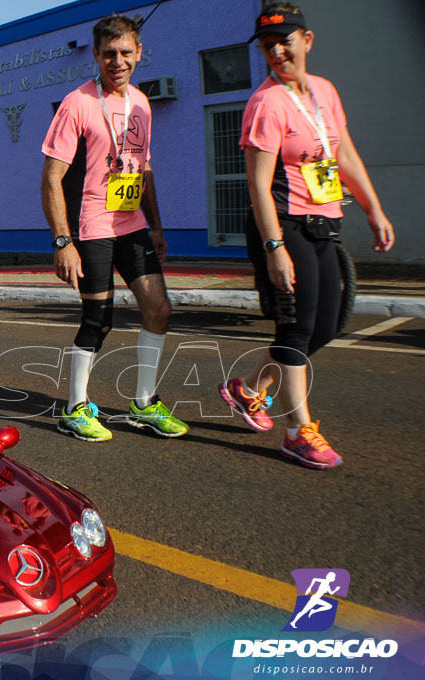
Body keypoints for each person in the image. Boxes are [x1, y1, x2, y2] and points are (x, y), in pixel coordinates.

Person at [219, 3, 394, 469]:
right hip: (282, 223)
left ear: (307, 40)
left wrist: (373, 208)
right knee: (296, 327)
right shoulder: (267, 102)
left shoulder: (324, 92)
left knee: (326, 325)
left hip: (324, 222)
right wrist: (275, 248)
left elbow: (345, 155)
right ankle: (299, 431)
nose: (276, 51)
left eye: (285, 41)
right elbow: (257, 184)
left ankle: (249, 388)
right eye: (267, 45)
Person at [40, 15, 187, 442]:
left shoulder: (141, 104)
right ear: (97, 55)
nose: (117, 61)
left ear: (139, 53)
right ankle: (75, 409)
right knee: (98, 320)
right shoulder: (78, 103)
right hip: (91, 227)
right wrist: (63, 241)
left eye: (125, 53)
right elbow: (51, 177)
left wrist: (156, 226)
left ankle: (143, 405)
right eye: (109, 53)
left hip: (133, 223)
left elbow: (143, 168)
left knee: (158, 310)